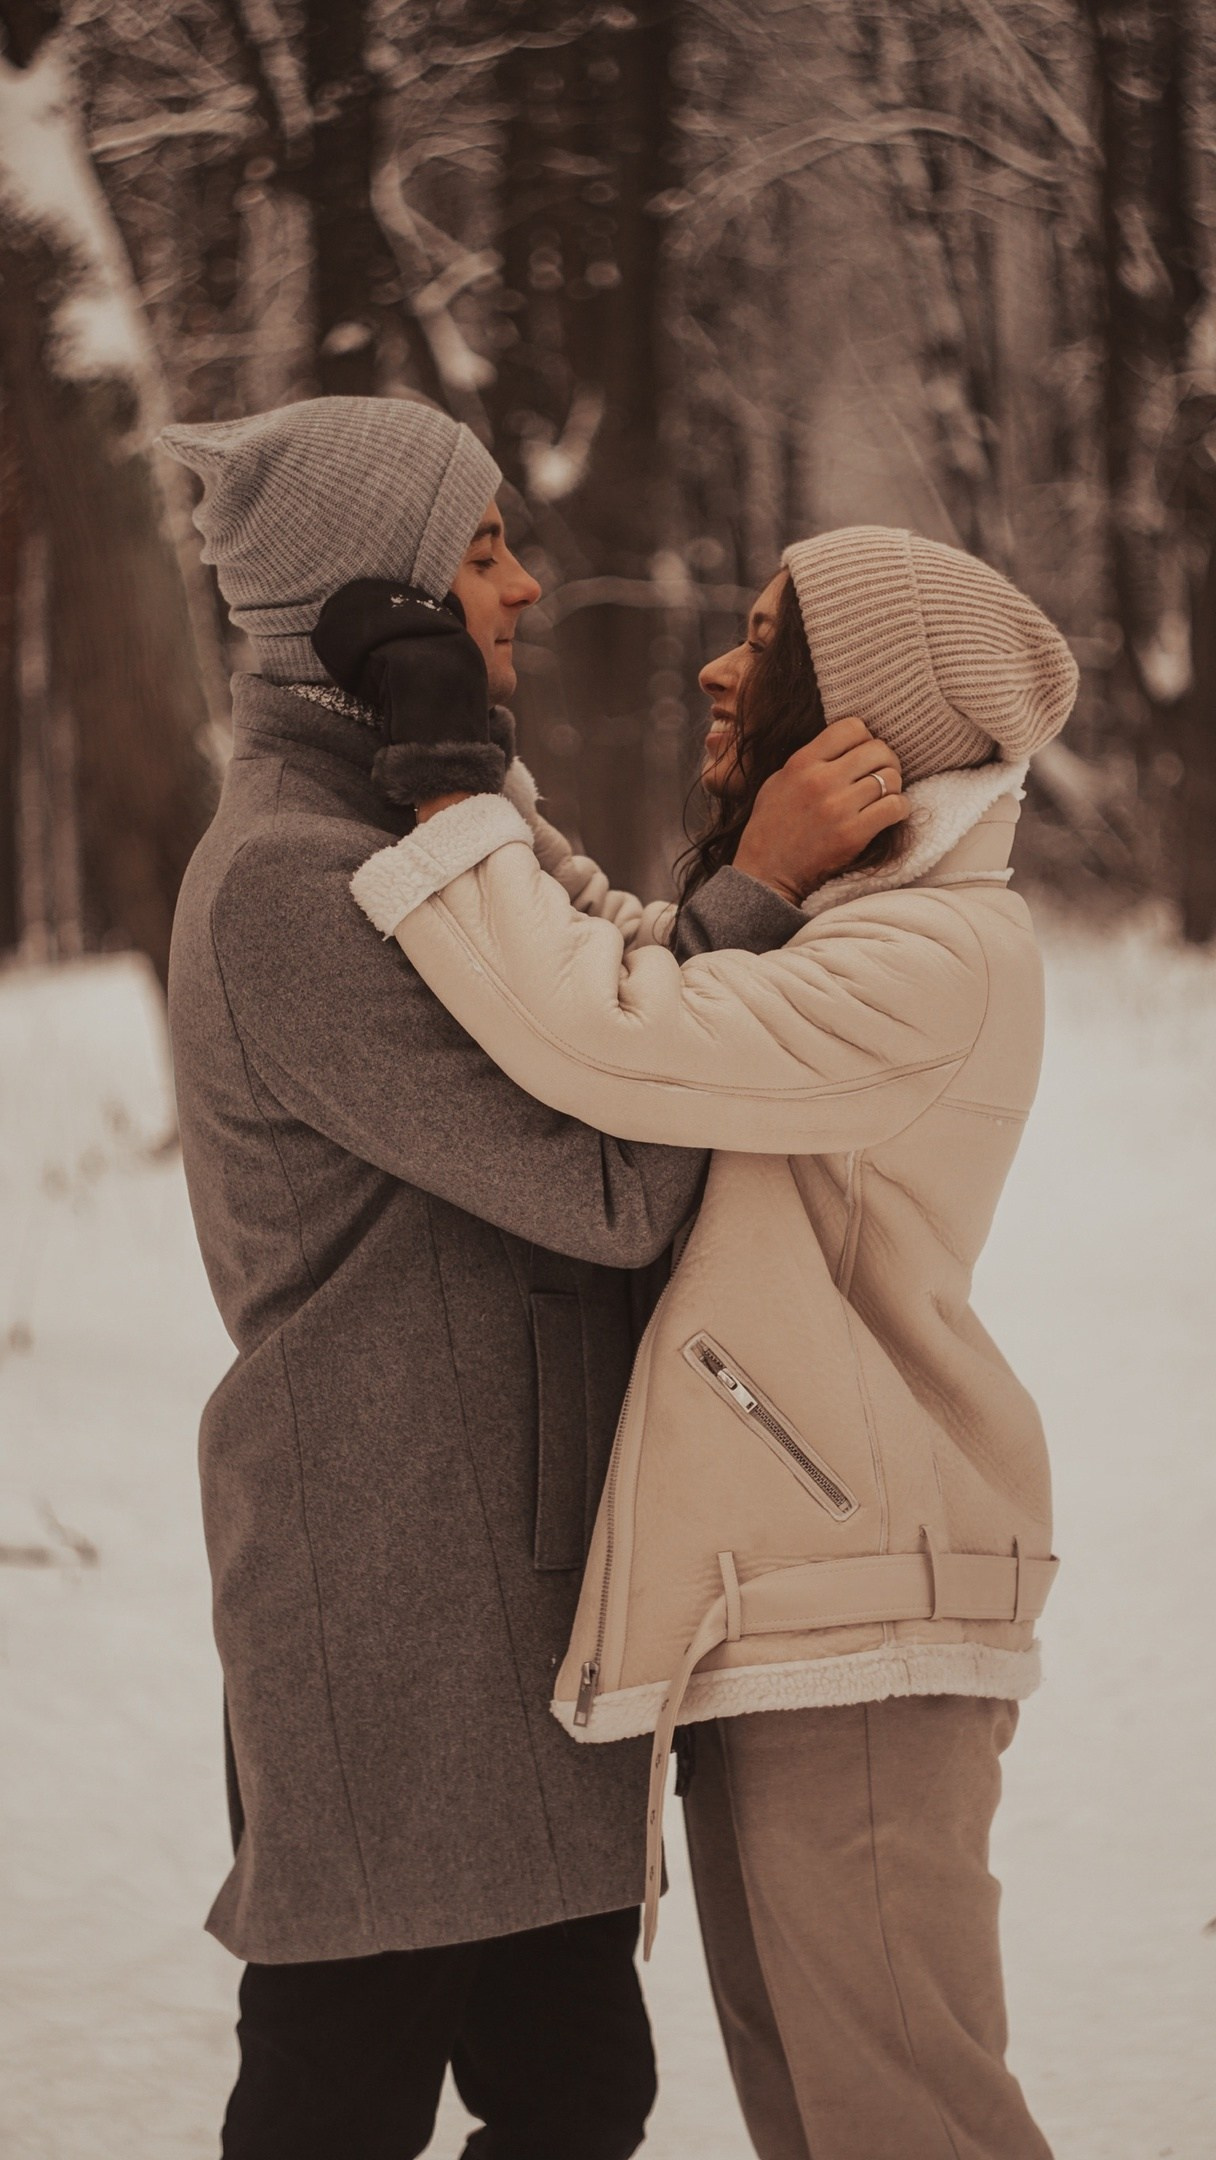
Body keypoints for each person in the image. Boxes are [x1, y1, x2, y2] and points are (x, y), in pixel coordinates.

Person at [157, 395, 844, 2160]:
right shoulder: (297, 885)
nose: (526, 585)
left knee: (579, 2094)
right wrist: (759, 893)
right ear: (371, 607)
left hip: (510, 1581)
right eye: (478, 554)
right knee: (336, 2104)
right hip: (386, 1589)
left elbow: (621, 980)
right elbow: (612, 1179)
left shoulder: (436, 827)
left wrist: (498, 790)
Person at [339, 524, 1079, 2160]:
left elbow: (609, 1028)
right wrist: (497, 789)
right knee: (823, 2123)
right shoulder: (851, 929)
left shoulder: (938, 957)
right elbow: (628, 943)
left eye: (767, 640)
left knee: (909, 2124)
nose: (717, 668)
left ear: (867, 708)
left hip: (868, 1613)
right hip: (799, 1602)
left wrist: (451, 796)